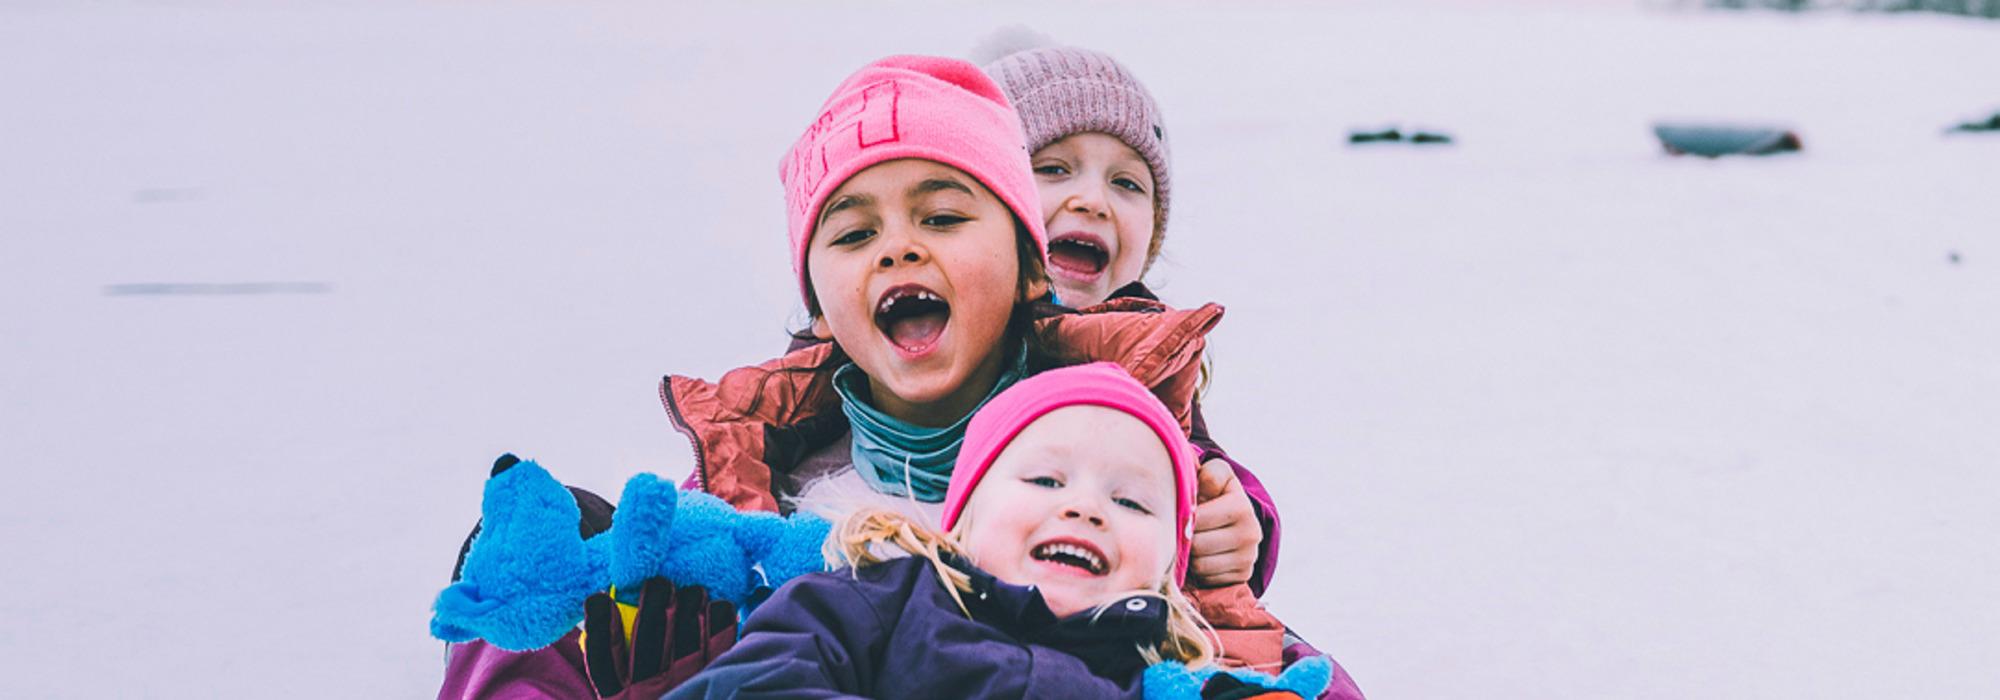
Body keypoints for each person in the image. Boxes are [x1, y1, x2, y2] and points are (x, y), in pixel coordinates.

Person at [438, 54, 1272, 699]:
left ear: (1031, 270)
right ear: (822, 305)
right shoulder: (761, 466)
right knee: (536, 560)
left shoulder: (1104, 425)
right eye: (851, 235)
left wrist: (1232, 536)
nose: (898, 248)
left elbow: (1238, 626)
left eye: (942, 217)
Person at [668, 364, 1343, 699]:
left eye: (1132, 502)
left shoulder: (1155, 677)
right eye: (1046, 482)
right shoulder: (877, 600)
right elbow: (751, 681)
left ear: (1168, 568)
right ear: (961, 520)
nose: (1085, 509)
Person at [986, 43, 1285, 596]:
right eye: (1053, 168)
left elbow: (1196, 466)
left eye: (1127, 184)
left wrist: (1239, 522)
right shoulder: (941, 332)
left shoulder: (1147, 354)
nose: (1093, 200)